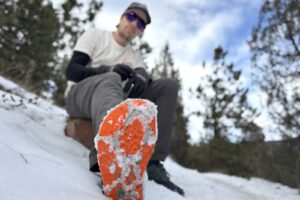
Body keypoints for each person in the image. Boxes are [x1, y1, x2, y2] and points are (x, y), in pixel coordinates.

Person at [65, 2, 184, 195]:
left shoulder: (134, 56)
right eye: (131, 17)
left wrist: (141, 78)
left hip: (114, 100)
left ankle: (153, 163)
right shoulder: (96, 36)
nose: (134, 23)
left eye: (140, 24)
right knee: (112, 78)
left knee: (168, 86)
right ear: (121, 17)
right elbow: (72, 71)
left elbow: (144, 75)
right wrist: (107, 70)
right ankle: (109, 159)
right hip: (79, 97)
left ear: (141, 32)